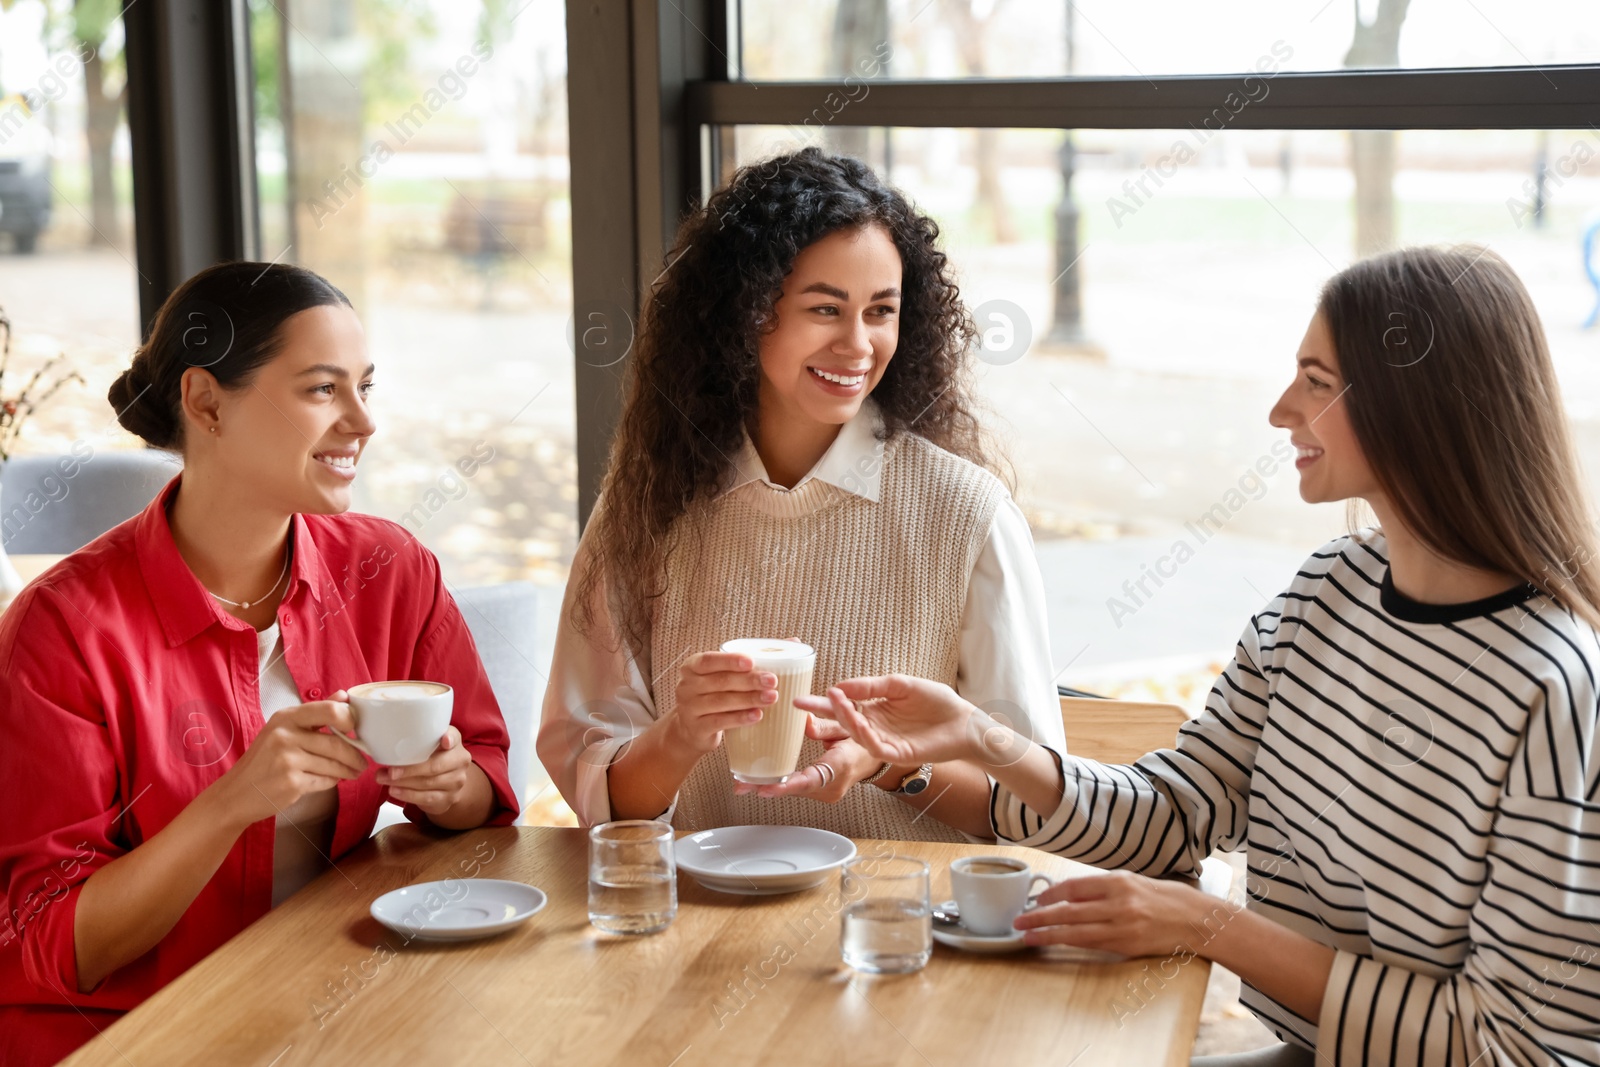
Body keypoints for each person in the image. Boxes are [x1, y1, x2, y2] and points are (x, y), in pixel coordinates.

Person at [800, 246, 1600, 1065]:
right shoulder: (1326, 593)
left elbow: (1512, 1046)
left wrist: (1208, 925)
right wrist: (978, 737)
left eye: (1318, 382)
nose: (1282, 410)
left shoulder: (1550, 683)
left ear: (1415, 404)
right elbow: (1177, 812)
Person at [0, 261, 519, 1066]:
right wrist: (229, 802)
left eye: (364, 388)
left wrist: (455, 788)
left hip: (320, 1005)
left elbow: (484, 768)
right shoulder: (60, 631)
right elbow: (53, 943)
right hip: (130, 1038)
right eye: (322, 390)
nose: (363, 422)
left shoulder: (390, 568)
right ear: (206, 402)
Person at [537, 147, 1066, 842]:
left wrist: (893, 766)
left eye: (882, 311)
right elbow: (599, 795)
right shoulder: (647, 507)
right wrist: (679, 736)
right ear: (748, 312)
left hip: (902, 933)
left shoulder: (969, 516)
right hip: (696, 929)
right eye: (825, 308)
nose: (858, 344)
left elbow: (1034, 805)